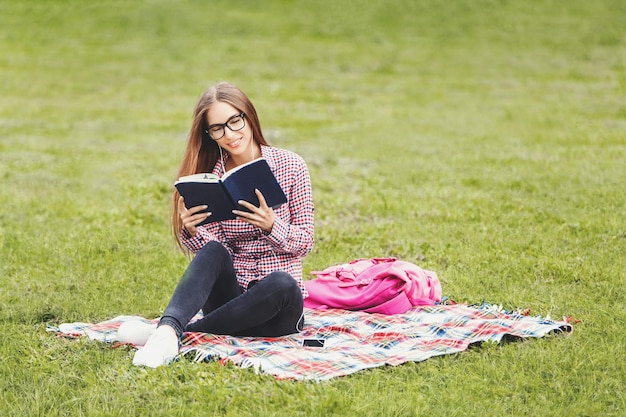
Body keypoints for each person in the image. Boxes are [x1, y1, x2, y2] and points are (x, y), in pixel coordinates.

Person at [127, 82, 315, 368]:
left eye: (234, 121)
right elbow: (217, 252)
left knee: (283, 283)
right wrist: (192, 231)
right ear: (209, 134)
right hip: (230, 303)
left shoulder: (291, 166)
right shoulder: (211, 178)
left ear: (248, 115)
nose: (229, 134)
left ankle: (170, 332)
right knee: (214, 251)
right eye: (218, 128)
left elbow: (305, 242)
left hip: (276, 309)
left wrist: (271, 225)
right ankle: (168, 333)